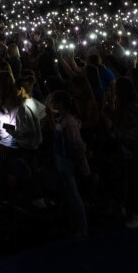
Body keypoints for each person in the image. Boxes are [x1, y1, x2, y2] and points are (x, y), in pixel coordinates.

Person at [108, 77, 138, 229]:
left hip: (136, 146)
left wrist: (128, 134)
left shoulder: (134, 106)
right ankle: (128, 209)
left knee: (136, 182)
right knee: (127, 179)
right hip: (128, 146)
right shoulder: (124, 105)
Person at [50, 91, 89, 238]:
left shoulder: (69, 122)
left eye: (55, 101)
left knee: (74, 194)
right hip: (63, 161)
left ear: (61, 103)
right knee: (70, 193)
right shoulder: (62, 119)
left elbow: (77, 144)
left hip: (69, 163)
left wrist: (79, 162)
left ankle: (82, 226)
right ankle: (75, 224)